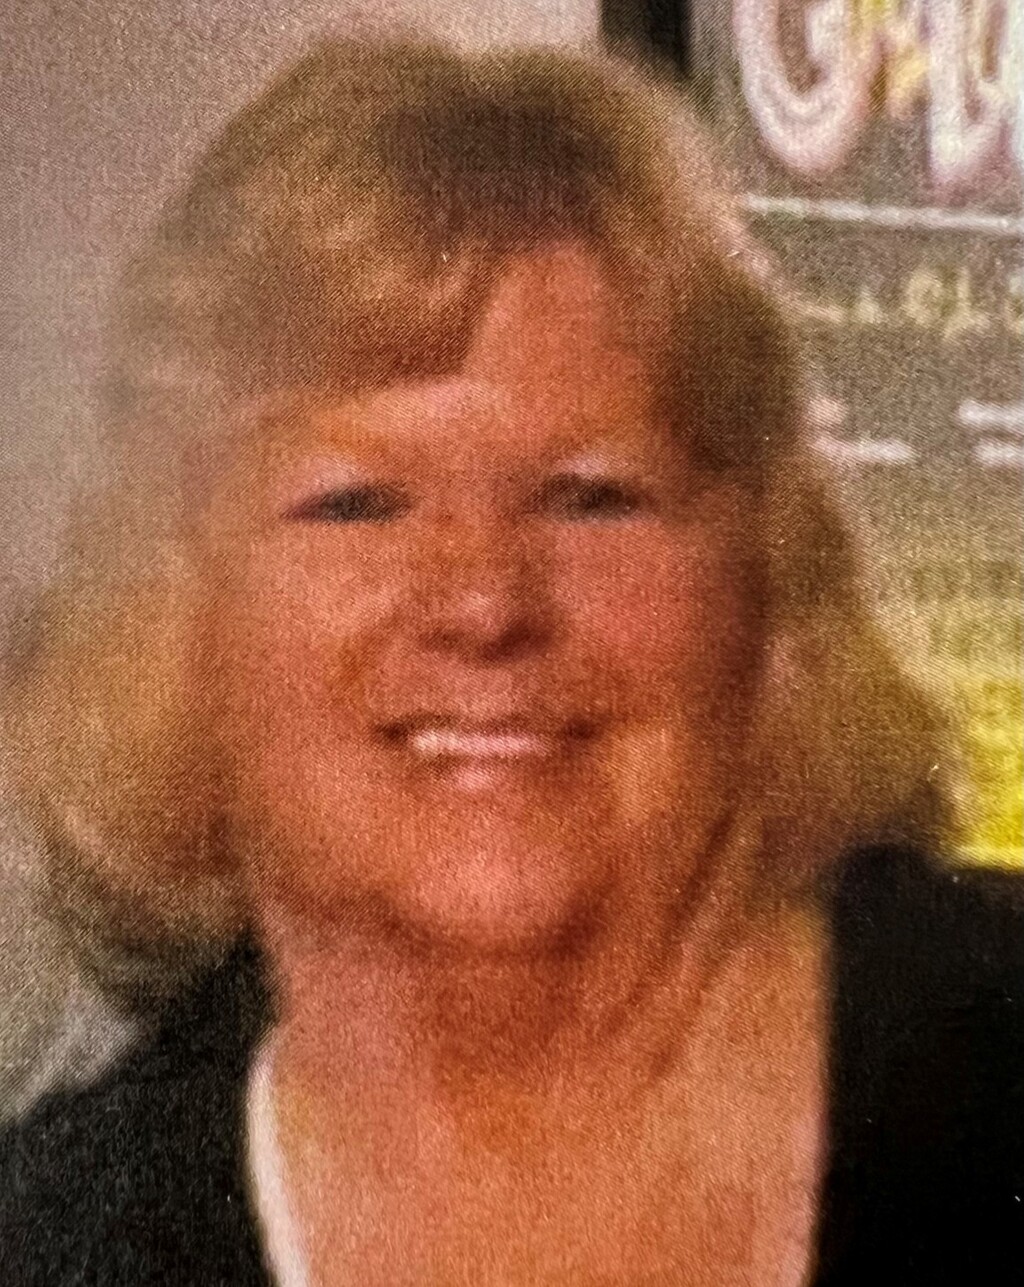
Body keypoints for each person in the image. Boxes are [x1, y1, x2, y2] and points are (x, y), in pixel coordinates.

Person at [1, 37, 1021, 1287]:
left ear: (762, 580)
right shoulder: (60, 1236)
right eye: (357, 504)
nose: (483, 604)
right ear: (182, 607)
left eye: (591, 497)